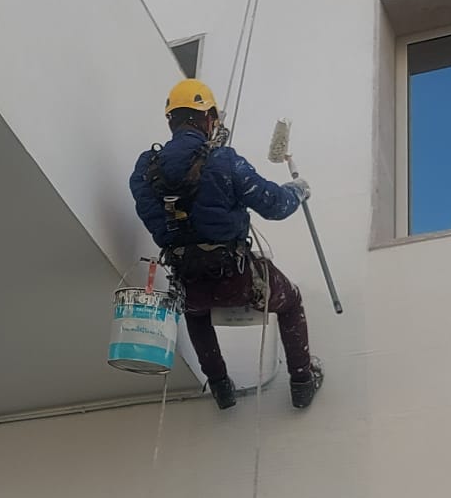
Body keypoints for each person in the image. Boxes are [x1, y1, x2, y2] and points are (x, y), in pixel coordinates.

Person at [129, 78, 323, 411]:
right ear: (208, 118)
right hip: (237, 278)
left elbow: (153, 220)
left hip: (190, 283)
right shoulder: (223, 160)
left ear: (171, 120)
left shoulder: (145, 171)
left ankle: (220, 386)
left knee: (196, 315)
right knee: (290, 302)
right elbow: (273, 204)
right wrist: (297, 190)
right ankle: (303, 381)